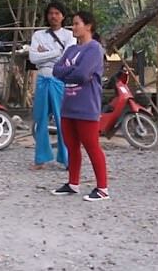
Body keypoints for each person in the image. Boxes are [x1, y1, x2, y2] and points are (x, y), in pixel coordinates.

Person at [51, 11, 109, 201]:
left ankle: (102, 188)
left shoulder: (94, 49)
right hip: (68, 105)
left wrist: (69, 72)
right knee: (71, 146)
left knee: (92, 146)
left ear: (88, 26)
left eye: (77, 24)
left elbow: (82, 75)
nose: (73, 27)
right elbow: (56, 71)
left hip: (87, 106)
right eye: (73, 24)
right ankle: (73, 183)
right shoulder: (71, 50)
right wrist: (71, 71)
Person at [29, 2, 76, 170]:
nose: (53, 16)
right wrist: (56, 52)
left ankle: (67, 158)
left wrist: (46, 52)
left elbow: (66, 58)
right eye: (50, 13)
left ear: (63, 16)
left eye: (57, 13)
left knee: (61, 119)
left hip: (59, 79)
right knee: (40, 119)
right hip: (42, 78)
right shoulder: (38, 35)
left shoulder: (70, 36)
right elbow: (33, 58)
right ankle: (40, 158)